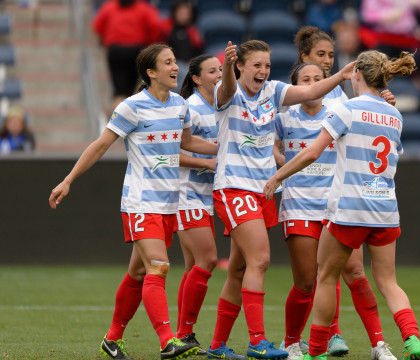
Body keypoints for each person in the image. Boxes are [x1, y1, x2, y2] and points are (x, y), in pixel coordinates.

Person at [49, 43, 218, 360]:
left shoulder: (180, 105)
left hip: (170, 203)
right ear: (151, 72)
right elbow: (100, 145)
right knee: (159, 266)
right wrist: (68, 179)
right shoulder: (132, 107)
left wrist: (221, 150)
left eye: (174, 61)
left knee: (139, 274)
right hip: (141, 203)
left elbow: (187, 142)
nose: (174, 67)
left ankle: (111, 340)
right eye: (167, 63)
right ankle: (168, 340)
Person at [263, 50, 420, 360]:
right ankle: (412, 338)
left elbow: (311, 153)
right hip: (386, 210)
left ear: (356, 75)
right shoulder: (396, 115)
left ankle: (318, 352)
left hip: (349, 209)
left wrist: (277, 177)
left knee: (325, 277)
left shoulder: (346, 110)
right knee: (388, 281)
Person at [205, 40, 356, 360]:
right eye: (256, 65)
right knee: (260, 259)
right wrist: (230, 70)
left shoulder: (273, 91)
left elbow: (311, 93)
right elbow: (229, 87)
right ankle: (258, 341)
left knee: (238, 269)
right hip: (234, 187)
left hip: (262, 191)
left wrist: (341, 74)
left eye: (267, 65)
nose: (263, 71)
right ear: (241, 66)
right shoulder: (225, 89)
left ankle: (217, 346)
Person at [276, 26, 393, 360]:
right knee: (307, 281)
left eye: (319, 76)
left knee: (355, 273)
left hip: (336, 207)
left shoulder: (340, 110)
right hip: (299, 206)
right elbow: (265, 144)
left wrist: (383, 103)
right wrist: (282, 162)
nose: (314, 83)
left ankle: (378, 345)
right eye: (305, 79)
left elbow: (369, 123)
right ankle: (291, 343)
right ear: (294, 87)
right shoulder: (284, 116)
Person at [172, 54, 222, 356]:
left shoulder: (221, 107)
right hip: (186, 192)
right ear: (196, 78)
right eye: (212, 71)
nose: (219, 75)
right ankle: (183, 334)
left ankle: (183, 336)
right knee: (208, 260)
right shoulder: (190, 108)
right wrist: (211, 162)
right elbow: (172, 152)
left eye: (221, 70)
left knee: (193, 267)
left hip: (205, 195)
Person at [93, 0, 162, 113]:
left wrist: (104, 39)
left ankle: (117, 123)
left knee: (119, 91)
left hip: (115, 50)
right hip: (136, 50)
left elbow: (97, 26)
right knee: (132, 90)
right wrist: (149, 43)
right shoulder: (143, 8)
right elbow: (154, 26)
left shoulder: (109, 6)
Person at [160, 0, 205, 91]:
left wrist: (194, 61)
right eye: (181, 12)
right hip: (171, 64)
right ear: (174, 12)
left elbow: (199, 50)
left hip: (188, 65)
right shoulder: (166, 28)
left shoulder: (193, 31)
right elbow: (159, 50)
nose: (184, 15)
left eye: (187, 12)